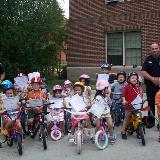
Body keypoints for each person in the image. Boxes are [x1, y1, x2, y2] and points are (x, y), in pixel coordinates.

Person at [142, 43, 160, 128]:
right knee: (151, 103)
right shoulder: (147, 59)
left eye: (156, 48)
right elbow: (143, 72)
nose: (154, 50)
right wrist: (152, 79)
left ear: (158, 49)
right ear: (150, 50)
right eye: (152, 48)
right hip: (150, 85)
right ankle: (151, 122)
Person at [121, 72, 143, 139]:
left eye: (136, 78)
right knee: (127, 119)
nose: (134, 79)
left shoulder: (138, 87)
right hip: (129, 106)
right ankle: (123, 131)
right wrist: (124, 100)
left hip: (137, 106)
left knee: (138, 117)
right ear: (129, 79)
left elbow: (140, 95)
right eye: (133, 78)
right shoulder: (127, 86)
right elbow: (123, 95)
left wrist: (142, 99)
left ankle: (139, 131)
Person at [94, 80, 115, 144]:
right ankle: (95, 136)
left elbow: (110, 103)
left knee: (110, 125)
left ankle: (111, 136)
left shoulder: (107, 96)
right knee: (97, 125)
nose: (108, 89)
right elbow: (98, 104)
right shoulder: (98, 97)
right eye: (107, 88)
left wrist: (109, 98)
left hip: (106, 112)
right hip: (99, 113)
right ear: (103, 90)